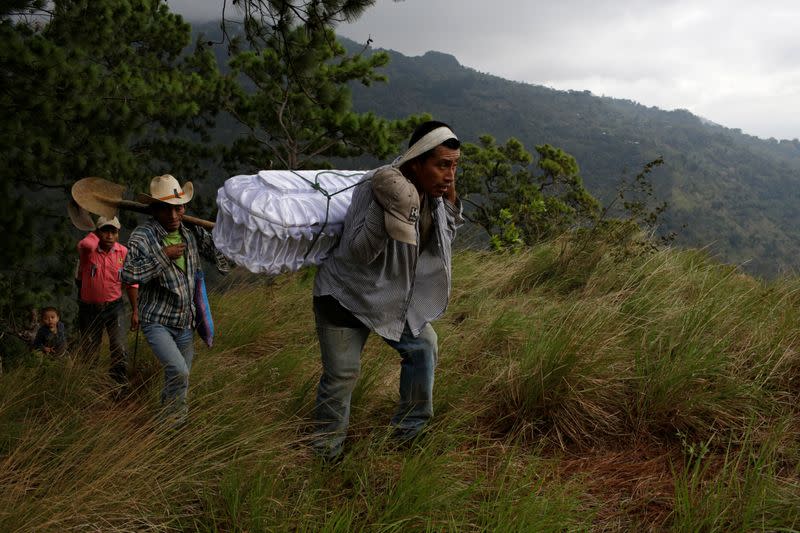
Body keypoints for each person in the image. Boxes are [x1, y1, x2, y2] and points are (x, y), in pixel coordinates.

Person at [311, 120, 463, 460]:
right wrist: (388, 209)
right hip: (344, 298)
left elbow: (446, 232)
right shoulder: (378, 187)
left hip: (389, 299)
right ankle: (325, 455)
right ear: (415, 162)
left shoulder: (431, 194)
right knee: (341, 378)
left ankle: (409, 435)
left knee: (424, 347)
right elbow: (357, 253)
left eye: (454, 166)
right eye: (442, 165)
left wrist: (448, 192)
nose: (450, 174)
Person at [122, 174, 200, 428]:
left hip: (185, 321)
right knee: (179, 371)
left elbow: (218, 262)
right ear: (155, 210)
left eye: (178, 208)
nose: (174, 215)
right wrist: (163, 256)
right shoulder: (142, 237)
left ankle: (172, 426)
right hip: (157, 320)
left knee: (180, 379)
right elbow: (129, 274)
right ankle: (169, 426)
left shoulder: (189, 235)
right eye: (166, 209)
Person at [76, 215, 138, 384]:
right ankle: (89, 387)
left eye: (113, 232)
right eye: (105, 231)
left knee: (119, 347)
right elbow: (84, 244)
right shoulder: (88, 251)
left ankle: (118, 386)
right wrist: (94, 235)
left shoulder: (122, 252)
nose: (109, 236)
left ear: (118, 233)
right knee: (90, 350)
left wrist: (135, 311)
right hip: (89, 308)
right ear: (97, 232)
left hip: (114, 306)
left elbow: (131, 283)